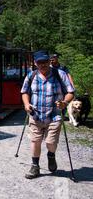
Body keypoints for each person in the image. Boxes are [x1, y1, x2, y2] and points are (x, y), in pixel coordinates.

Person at [21, 50, 75, 179]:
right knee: (35, 141)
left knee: (51, 142)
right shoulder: (31, 75)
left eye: (45, 62)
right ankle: (35, 167)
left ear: (49, 61)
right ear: (35, 63)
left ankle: (51, 156)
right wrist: (26, 104)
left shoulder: (59, 74)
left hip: (54, 115)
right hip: (35, 115)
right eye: (40, 62)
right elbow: (24, 92)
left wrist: (65, 102)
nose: (43, 65)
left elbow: (71, 91)